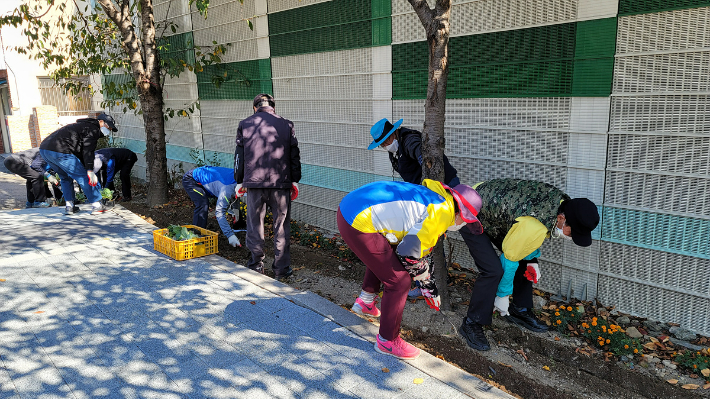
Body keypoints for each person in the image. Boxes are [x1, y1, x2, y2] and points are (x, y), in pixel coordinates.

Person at [337, 179, 483, 360]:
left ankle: (366, 301)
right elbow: (409, 254)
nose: (463, 225)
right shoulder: (441, 214)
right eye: (466, 221)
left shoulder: (438, 198)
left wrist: (428, 284)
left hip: (350, 208)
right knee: (399, 281)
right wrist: (427, 286)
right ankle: (387, 341)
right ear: (461, 213)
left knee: (386, 255)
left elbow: (415, 247)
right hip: (357, 221)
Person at [458, 179, 600, 351]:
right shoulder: (535, 224)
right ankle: (472, 323)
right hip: (470, 211)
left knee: (525, 261)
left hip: (499, 214)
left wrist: (532, 260)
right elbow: (510, 257)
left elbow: (527, 239)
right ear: (562, 219)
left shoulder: (564, 205)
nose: (571, 237)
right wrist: (502, 295)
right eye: (573, 232)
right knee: (493, 270)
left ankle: (520, 310)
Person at [233, 93, 301, 280]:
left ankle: (255, 266)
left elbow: (239, 156)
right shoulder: (287, 125)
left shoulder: (245, 124)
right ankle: (282, 269)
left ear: (255, 108)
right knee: (281, 227)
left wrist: (239, 180)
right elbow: (294, 154)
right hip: (281, 184)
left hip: (254, 184)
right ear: (273, 107)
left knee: (255, 225)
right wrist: (295, 180)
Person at [39, 113, 118, 215]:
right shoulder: (93, 129)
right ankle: (97, 206)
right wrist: (89, 171)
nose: (109, 130)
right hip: (61, 151)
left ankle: (70, 206)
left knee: (65, 177)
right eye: (109, 127)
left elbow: (80, 152)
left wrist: (86, 167)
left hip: (45, 150)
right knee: (84, 177)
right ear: (101, 122)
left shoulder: (82, 127)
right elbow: (87, 151)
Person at [368, 118, 460, 187]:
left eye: (387, 139)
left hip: (446, 183)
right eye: (383, 144)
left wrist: (423, 159)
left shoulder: (408, 139)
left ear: (394, 132)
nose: (387, 145)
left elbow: (418, 150)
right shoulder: (393, 150)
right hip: (423, 188)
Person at [182, 166, 241, 247]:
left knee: (206, 202)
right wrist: (230, 235)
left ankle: (198, 234)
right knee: (202, 204)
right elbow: (219, 212)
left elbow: (235, 198)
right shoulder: (228, 188)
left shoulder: (240, 178)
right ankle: (196, 237)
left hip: (208, 182)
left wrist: (237, 217)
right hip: (192, 180)